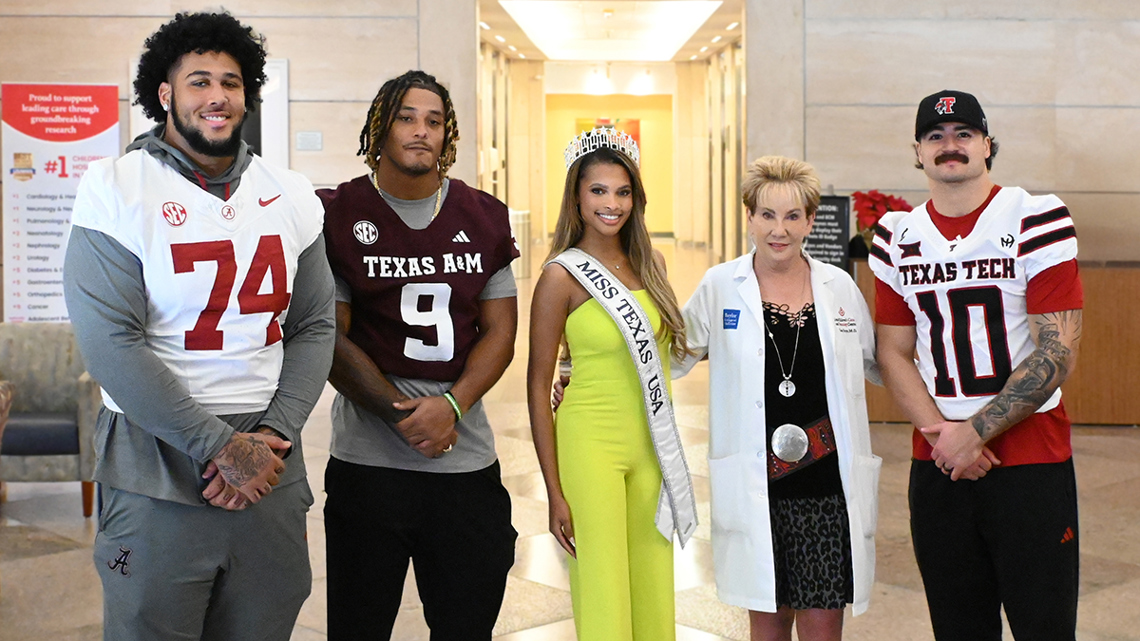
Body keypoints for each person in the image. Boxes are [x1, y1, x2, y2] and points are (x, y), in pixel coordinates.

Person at [63, 11, 335, 641]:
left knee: (264, 625)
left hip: (269, 459)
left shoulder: (292, 192)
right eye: (199, 81)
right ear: (165, 94)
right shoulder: (115, 187)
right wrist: (220, 447)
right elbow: (110, 342)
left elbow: (315, 324)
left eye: (231, 83)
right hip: (156, 454)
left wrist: (272, 434)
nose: (217, 96)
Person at [870, 90, 1082, 640]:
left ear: (987, 144)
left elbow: (1058, 350)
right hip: (938, 460)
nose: (950, 145)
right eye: (935, 136)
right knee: (957, 628)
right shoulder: (897, 236)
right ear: (918, 152)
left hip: (1030, 454)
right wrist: (946, 439)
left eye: (964, 133)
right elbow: (893, 350)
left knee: (1044, 626)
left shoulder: (1034, 216)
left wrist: (973, 433)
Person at [319, 70, 519, 640]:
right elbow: (329, 337)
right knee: (358, 627)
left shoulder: (482, 214)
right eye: (406, 117)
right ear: (380, 128)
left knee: (466, 626)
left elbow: (501, 332)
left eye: (434, 121)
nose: (420, 131)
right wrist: (404, 416)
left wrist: (451, 407)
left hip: (463, 461)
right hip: (367, 464)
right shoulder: (338, 212)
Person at [675, 156, 880, 640]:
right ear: (748, 216)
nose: (779, 230)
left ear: (811, 220)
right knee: (767, 626)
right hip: (758, 487)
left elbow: (881, 362)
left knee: (822, 625)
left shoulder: (839, 287)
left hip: (826, 488)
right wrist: (585, 374)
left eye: (792, 216)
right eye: (766, 214)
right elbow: (670, 357)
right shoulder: (721, 286)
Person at [527, 127, 697, 640]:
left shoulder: (653, 264)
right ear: (577, 198)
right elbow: (537, 385)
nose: (612, 204)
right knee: (603, 594)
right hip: (590, 446)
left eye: (623, 192)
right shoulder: (560, 277)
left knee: (653, 588)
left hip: (651, 446)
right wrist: (554, 491)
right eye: (598, 190)